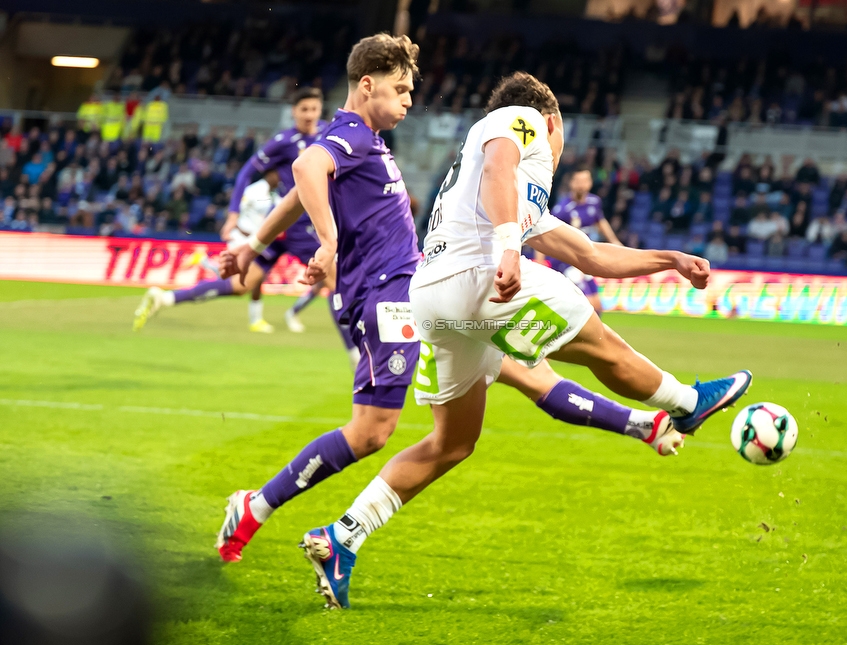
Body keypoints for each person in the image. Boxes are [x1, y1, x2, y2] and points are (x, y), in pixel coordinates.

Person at [213, 40, 680, 572]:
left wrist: (253, 245)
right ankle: (255, 506)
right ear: (368, 85)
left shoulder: (362, 141)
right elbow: (305, 168)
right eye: (402, 89)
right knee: (372, 432)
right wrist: (327, 240)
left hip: (419, 295)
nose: (411, 100)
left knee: (523, 377)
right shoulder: (348, 134)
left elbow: (302, 186)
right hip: (388, 299)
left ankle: (646, 425)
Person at [297, 72, 751, 609]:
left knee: (453, 443)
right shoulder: (524, 120)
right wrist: (511, 250)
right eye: (563, 141)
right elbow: (499, 168)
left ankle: (342, 537)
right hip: (482, 276)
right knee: (597, 342)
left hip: (435, 301)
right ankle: (685, 403)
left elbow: (591, 255)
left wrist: (669, 261)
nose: (559, 153)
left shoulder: (518, 198)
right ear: (552, 123)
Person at [223, 87, 330, 334]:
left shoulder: (329, 133)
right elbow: (245, 173)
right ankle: (359, 349)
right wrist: (232, 215)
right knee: (333, 279)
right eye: (304, 109)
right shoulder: (284, 142)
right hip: (293, 222)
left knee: (333, 279)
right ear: (293, 112)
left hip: (324, 217)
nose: (309, 115)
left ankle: (290, 313)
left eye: (314, 109)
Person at [539, 166, 622, 314]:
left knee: (597, 305)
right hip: (567, 261)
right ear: (571, 184)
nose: (582, 184)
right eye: (578, 181)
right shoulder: (563, 209)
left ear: (590, 183)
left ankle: (590, 336)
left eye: (585, 180)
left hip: (585, 259)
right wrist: (540, 261)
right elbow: (544, 233)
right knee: (588, 304)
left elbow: (600, 221)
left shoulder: (594, 202)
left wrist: (614, 241)